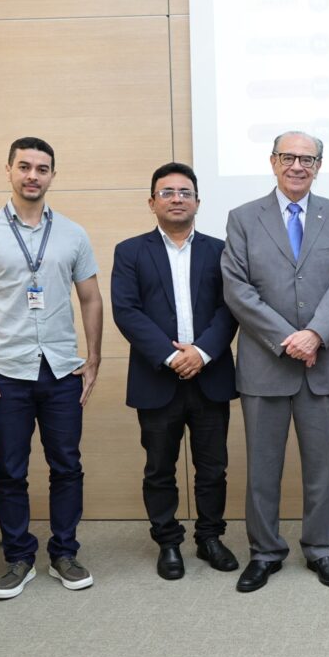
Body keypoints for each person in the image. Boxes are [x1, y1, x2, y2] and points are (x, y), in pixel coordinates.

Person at [0, 137, 104, 600]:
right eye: (24, 167)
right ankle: (19, 557)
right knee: (9, 469)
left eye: (42, 168)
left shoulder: (74, 234)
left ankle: (64, 552)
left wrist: (94, 358)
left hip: (61, 370)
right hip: (6, 370)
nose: (33, 176)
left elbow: (92, 298)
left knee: (67, 466)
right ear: (8, 171)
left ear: (53, 176)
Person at [221, 131, 329, 592]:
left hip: (323, 362)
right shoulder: (242, 218)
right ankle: (264, 552)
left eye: (307, 158)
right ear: (272, 161)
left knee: (322, 466)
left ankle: (322, 549)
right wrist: (287, 338)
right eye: (288, 157)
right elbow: (237, 289)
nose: (297, 165)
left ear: (319, 165)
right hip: (266, 363)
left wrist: (316, 333)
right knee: (262, 468)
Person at [111, 162, 240, 581]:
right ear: (152, 202)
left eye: (185, 192)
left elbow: (230, 309)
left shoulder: (221, 251)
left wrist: (201, 352)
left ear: (198, 201)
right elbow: (126, 311)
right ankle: (168, 542)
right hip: (156, 379)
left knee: (213, 467)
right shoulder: (130, 251)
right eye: (167, 192)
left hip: (210, 375)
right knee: (159, 468)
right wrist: (171, 358)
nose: (177, 198)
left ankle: (210, 538)